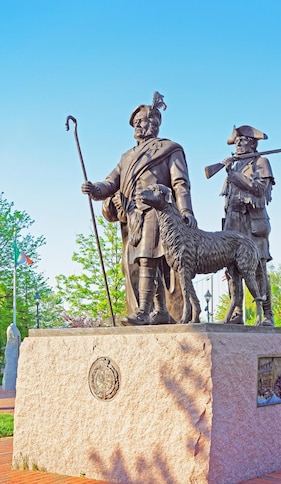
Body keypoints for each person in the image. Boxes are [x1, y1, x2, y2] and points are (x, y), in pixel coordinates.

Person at [82, 92, 197, 326]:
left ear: (153, 124)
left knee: (148, 259)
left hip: (158, 212)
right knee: (134, 265)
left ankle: (144, 312)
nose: (137, 126)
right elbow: (111, 182)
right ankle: (160, 310)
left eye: (141, 122)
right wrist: (95, 188)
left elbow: (180, 183)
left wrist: (186, 211)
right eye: (135, 123)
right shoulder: (126, 157)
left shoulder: (169, 149)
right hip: (132, 218)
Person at [221, 124, 275, 326]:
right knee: (233, 269)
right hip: (233, 224)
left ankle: (267, 314)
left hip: (252, 224)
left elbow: (260, 190)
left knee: (259, 269)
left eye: (242, 141)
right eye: (236, 142)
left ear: (252, 143)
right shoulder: (234, 165)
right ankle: (237, 312)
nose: (238, 145)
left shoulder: (262, 162)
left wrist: (233, 175)